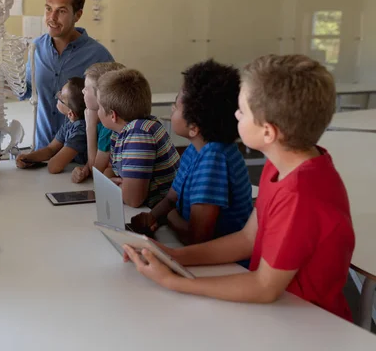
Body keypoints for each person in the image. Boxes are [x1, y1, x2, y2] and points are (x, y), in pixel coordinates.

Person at [123, 55, 355, 321]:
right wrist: (174, 257)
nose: (234, 115)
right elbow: (248, 239)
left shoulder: (300, 194)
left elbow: (265, 287)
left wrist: (174, 281)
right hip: (275, 309)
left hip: (305, 321)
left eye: (242, 111)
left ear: (268, 132)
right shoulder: (284, 160)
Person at [131, 60, 253, 246]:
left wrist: (169, 216)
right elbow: (172, 198)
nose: (172, 109)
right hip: (182, 242)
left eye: (176, 105)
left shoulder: (214, 159)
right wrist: (151, 217)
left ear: (194, 127)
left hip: (224, 263)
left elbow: (197, 238)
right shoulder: (195, 149)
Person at [23, 0, 114, 150]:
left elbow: (113, 109)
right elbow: (28, 90)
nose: (52, 17)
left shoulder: (99, 55)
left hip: (82, 156)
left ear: (77, 15)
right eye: (48, 9)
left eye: (61, 11)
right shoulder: (35, 48)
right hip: (41, 151)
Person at [97, 69, 179, 208]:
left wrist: (114, 187)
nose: (97, 111)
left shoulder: (139, 133)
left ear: (113, 115)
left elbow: (133, 199)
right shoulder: (121, 131)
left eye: (99, 107)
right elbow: (111, 169)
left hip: (158, 215)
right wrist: (116, 183)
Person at [16, 78, 87, 173]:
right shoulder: (69, 122)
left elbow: (54, 167)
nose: (57, 95)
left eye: (61, 97)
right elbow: (51, 149)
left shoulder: (80, 130)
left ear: (70, 113)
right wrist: (28, 157)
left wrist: (48, 161)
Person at [72, 62, 126, 183]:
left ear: (100, 95)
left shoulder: (110, 127)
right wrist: (84, 169)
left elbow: (96, 172)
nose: (82, 91)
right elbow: (97, 166)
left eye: (87, 88)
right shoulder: (104, 121)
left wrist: (90, 126)